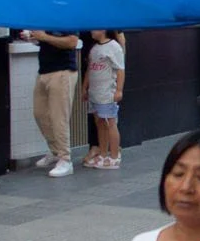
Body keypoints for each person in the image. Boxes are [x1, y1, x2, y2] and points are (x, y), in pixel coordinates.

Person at [22, 29, 82, 177]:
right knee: (40, 113)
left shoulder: (66, 17)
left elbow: (72, 42)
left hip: (63, 71)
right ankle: (56, 151)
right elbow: (47, 41)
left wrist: (44, 37)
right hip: (44, 71)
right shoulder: (45, 19)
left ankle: (65, 159)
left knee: (59, 117)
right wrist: (34, 38)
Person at [83, 29, 127, 170]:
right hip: (95, 93)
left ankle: (114, 156)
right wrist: (85, 88)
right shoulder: (94, 49)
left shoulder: (114, 47)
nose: (91, 31)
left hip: (107, 93)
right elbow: (90, 69)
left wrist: (119, 89)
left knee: (110, 123)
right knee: (99, 122)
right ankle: (102, 153)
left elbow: (120, 69)